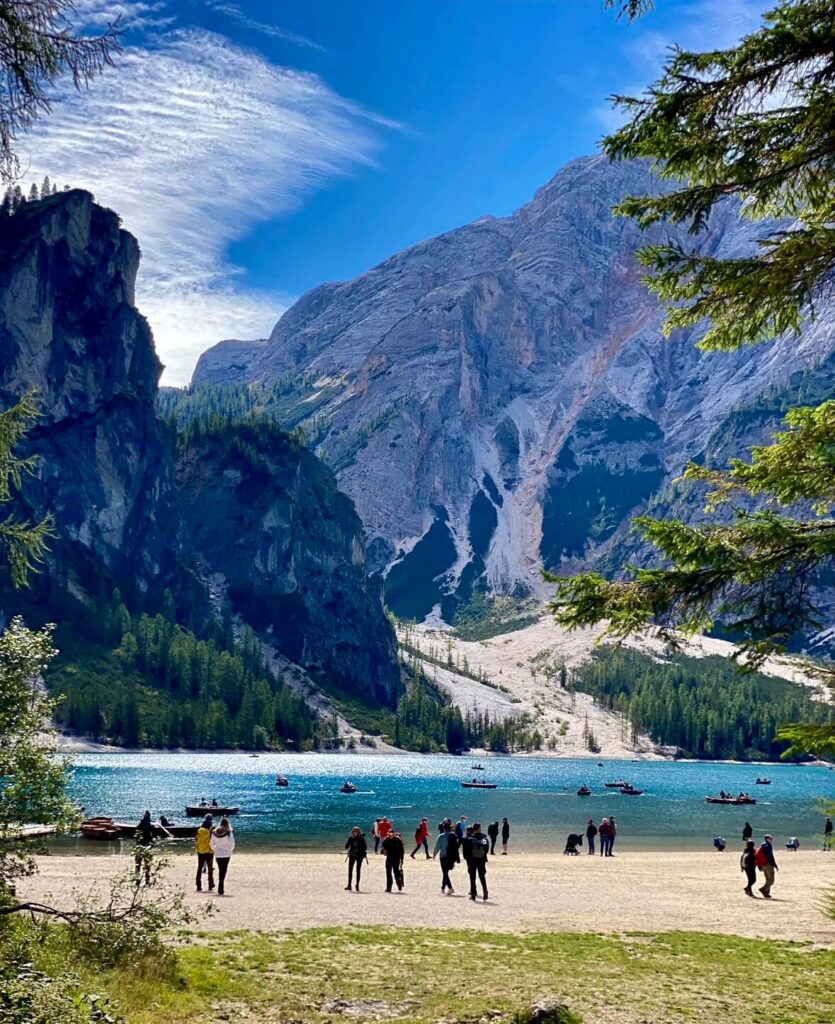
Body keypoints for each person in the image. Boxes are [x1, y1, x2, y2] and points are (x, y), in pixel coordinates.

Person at [463, 821, 489, 901]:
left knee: (472, 877)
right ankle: (485, 890)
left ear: (473, 829)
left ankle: (473, 895)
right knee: (482, 876)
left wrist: (467, 858)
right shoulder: (484, 838)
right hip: (481, 859)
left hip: (472, 860)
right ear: (479, 828)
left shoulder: (470, 838)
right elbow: (486, 849)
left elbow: (466, 850)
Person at [210, 817, 235, 896]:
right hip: (226, 854)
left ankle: (220, 887)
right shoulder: (228, 832)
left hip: (218, 854)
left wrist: (215, 849)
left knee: (221, 869)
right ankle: (221, 887)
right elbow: (232, 843)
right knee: (223, 870)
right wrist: (229, 851)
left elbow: (211, 843)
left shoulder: (214, 832)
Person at [433, 820, 459, 894]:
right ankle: (443, 888)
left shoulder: (441, 836)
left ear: (443, 828)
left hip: (443, 856)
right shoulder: (453, 835)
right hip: (451, 857)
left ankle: (450, 888)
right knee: (446, 873)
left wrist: (434, 855)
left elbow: (437, 847)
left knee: (445, 873)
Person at [134, 810, 157, 885]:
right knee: (147, 865)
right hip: (147, 846)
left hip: (139, 846)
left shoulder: (140, 826)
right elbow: (154, 837)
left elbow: (136, 836)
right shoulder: (150, 826)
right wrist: (152, 845)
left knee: (138, 864)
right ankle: (147, 880)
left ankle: (137, 880)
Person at [344, 826, 367, 891]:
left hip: (359, 856)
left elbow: (365, 847)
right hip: (352, 855)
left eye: (356, 831)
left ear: (358, 832)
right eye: (354, 831)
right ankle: (349, 885)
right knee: (350, 870)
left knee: (358, 870)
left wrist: (360, 849)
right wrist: (349, 841)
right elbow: (346, 846)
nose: (354, 833)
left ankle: (357, 885)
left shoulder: (361, 839)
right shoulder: (351, 838)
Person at [196, 814, 215, 892]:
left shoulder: (200, 828)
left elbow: (196, 838)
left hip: (200, 850)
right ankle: (210, 884)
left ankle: (198, 885)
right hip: (209, 850)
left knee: (199, 868)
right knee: (210, 868)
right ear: (211, 819)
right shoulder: (212, 828)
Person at [756, 834, 778, 898]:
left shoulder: (763, 845)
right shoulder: (767, 845)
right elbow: (770, 856)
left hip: (763, 864)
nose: (772, 840)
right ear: (767, 839)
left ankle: (766, 893)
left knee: (768, 879)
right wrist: (774, 865)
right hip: (768, 864)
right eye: (770, 838)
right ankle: (763, 889)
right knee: (771, 880)